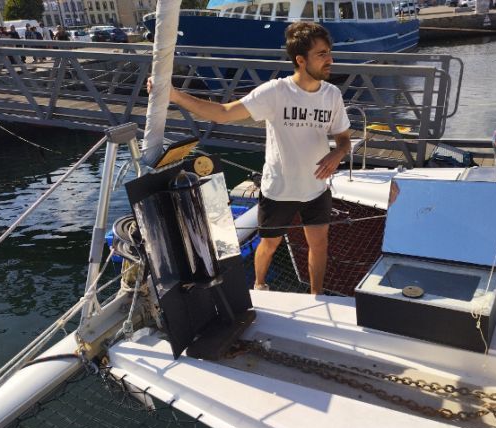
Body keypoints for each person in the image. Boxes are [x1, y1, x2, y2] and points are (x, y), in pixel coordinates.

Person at [147, 22, 352, 295]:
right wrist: (173, 94)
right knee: (269, 245)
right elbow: (222, 112)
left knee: (320, 244)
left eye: (329, 52)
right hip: (279, 190)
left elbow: (344, 139)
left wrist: (337, 154)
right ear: (301, 61)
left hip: (317, 188)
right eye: (322, 54)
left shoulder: (333, 95)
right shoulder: (276, 92)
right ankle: (259, 286)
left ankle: (316, 295)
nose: (330, 60)